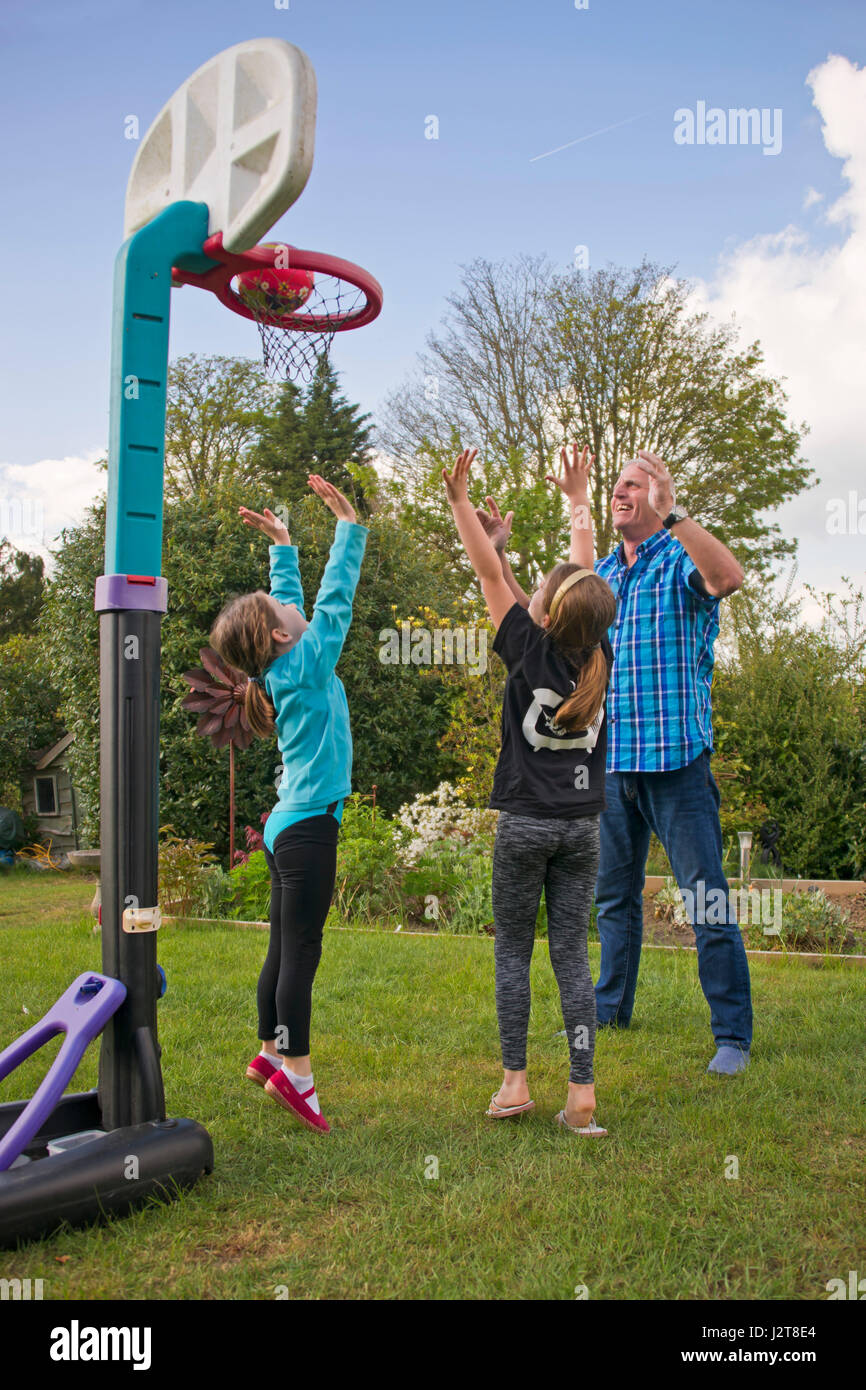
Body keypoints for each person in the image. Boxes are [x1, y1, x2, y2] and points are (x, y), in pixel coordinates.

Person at [444, 443, 615, 1135]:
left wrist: (461, 506)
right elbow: (584, 574)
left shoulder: (524, 643)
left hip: (525, 826)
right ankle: (581, 1094)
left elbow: (487, 573)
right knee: (572, 958)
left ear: (543, 612)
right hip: (582, 827)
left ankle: (515, 1083)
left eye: (539, 591)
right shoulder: (603, 648)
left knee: (513, 952)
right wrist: (579, 500)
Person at [209, 475, 368, 1133]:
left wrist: (282, 545)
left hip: (285, 824)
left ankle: (268, 1051)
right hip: (304, 830)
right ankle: (297, 1075)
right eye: (279, 611)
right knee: (300, 951)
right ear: (280, 636)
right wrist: (349, 529)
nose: (287, 608)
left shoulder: (286, 661)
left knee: (281, 945)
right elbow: (334, 601)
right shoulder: (307, 658)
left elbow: (294, 604)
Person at [592, 451, 752, 1074]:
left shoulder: (679, 559)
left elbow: (729, 577)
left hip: (678, 762)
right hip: (615, 764)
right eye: (616, 486)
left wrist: (675, 515)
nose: (618, 493)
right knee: (613, 900)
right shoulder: (604, 574)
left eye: (632, 484)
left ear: (657, 496)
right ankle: (609, 1012)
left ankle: (732, 1035)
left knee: (705, 899)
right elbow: (549, 622)